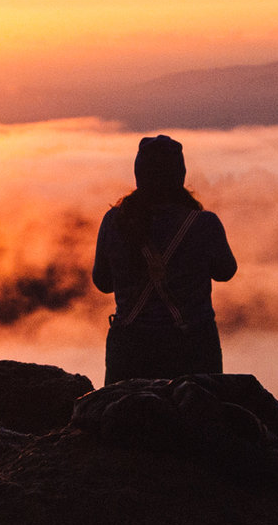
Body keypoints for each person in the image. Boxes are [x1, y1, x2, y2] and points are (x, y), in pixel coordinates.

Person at [91, 135, 237, 384]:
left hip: (130, 347)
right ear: (179, 175)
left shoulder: (114, 221)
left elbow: (103, 282)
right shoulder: (203, 224)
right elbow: (226, 271)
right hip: (192, 346)